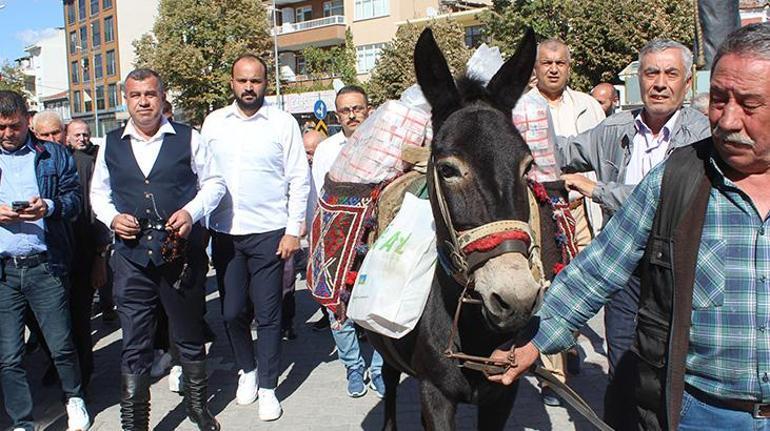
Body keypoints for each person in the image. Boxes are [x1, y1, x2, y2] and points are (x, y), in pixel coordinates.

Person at [492, 22, 770, 430]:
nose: (727, 120)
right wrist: (535, 340)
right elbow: (599, 268)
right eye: (718, 99)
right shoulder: (676, 179)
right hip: (703, 414)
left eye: (748, 105)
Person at [524, 38, 710, 425]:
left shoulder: (702, 135)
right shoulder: (616, 128)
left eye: (670, 73)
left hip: (680, 269)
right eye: (651, 73)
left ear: (688, 82)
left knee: (676, 364)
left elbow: (663, 199)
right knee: (623, 360)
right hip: (623, 267)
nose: (660, 83)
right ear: (639, 80)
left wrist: (596, 188)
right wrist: (515, 127)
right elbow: (562, 152)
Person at [90, 68, 225, 431]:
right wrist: (112, 218)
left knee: (189, 333)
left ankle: (197, 408)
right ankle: (135, 423)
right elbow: (98, 194)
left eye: (150, 94)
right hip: (132, 258)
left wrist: (191, 212)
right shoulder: (110, 143)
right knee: (134, 341)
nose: (144, 101)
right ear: (126, 99)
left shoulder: (189, 138)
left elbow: (214, 184)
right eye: (136, 95)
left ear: (162, 97)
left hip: (179, 254)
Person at [202, 54, 309, 421]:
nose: (249, 87)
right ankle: (245, 369)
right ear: (232, 83)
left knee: (268, 314)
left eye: (256, 81)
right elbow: (202, 175)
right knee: (231, 312)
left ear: (266, 83)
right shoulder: (214, 122)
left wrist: (294, 230)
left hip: (270, 233)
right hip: (226, 233)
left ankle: (267, 386)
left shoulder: (282, 124)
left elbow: (299, 177)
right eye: (242, 81)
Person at [0, 90, 90, 431]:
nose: (8, 134)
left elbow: (74, 201)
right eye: (1, 128)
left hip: (46, 266)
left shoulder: (53, 154)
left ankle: (75, 397)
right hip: (4, 271)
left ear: (28, 121)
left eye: (15, 127)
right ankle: (22, 420)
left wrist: (47, 207)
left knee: (61, 343)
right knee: (9, 355)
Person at [530, 38, 606, 406]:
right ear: (537, 67)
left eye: (560, 62)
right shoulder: (522, 107)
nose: (554, 68)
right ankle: (552, 375)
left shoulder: (589, 107)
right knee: (550, 288)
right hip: (543, 211)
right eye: (547, 63)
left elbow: (604, 158)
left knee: (584, 284)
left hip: (581, 210)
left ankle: (568, 339)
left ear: (570, 67)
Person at [310, 85, 386, 399]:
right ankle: (353, 367)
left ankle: (381, 369)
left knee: (381, 305)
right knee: (337, 308)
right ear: (337, 114)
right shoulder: (327, 149)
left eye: (357, 108)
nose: (352, 115)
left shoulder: (386, 145)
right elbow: (320, 197)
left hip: (378, 237)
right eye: (345, 110)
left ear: (369, 110)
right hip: (338, 240)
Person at [65, 119, 112, 388]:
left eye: (85, 134)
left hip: (82, 254)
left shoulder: (85, 164)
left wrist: (99, 255)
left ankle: (80, 382)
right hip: (54, 257)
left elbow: (95, 213)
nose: (82, 138)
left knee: (79, 320)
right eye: (76, 135)